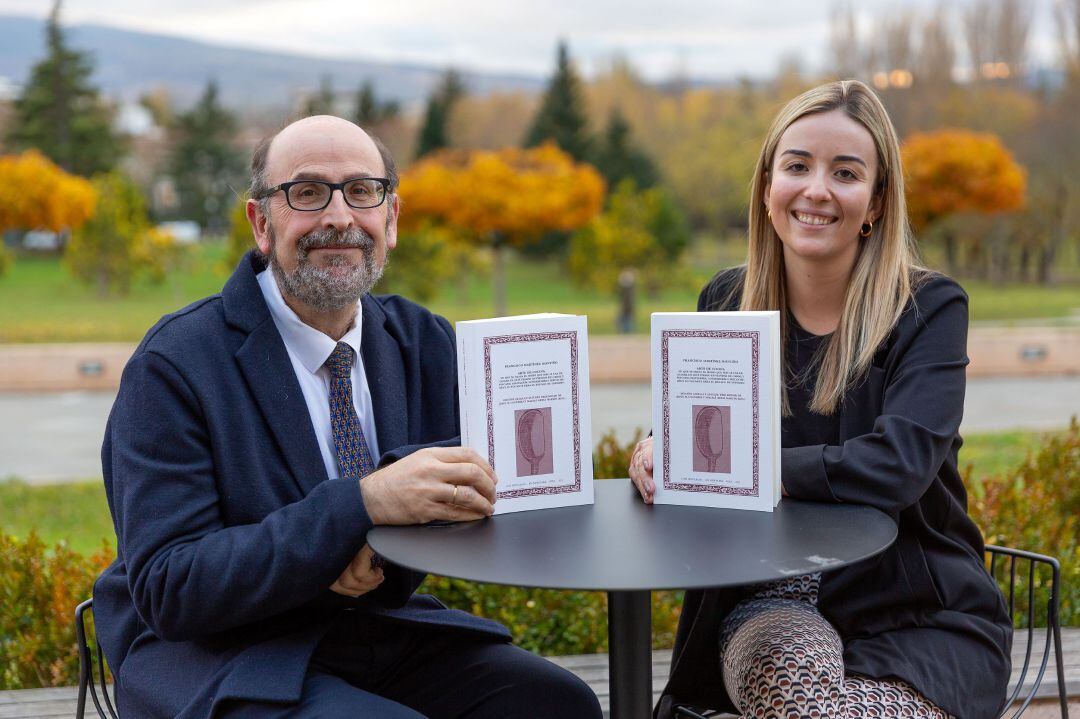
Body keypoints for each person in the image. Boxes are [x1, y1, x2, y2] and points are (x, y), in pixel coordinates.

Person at [94, 115, 603, 719]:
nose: (339, 216)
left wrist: (377, 536)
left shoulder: (424, 341)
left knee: (557, 705)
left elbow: (477, 469)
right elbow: (171, 588)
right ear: (262, 224)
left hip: (371, 627)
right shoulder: (175, 365)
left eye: (362, 192)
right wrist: (358, 508)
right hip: (220, 650)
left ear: (390, 222)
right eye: (307, 193)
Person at [628, 81, 1012, 719]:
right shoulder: (725, 302)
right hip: (772, 602)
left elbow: (899, 465)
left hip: (919, 614)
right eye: (797, 166)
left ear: (876, 202)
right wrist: (657, 449)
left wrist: (747, 470)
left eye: (846, 172)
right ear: (767, 188)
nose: (817, 190)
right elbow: (699, 438)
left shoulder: (928, 309)